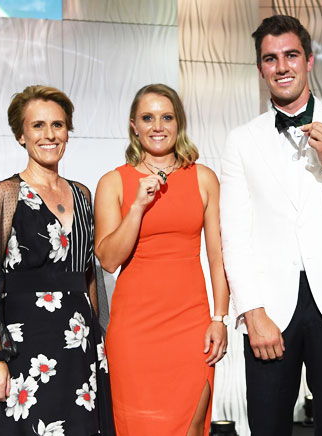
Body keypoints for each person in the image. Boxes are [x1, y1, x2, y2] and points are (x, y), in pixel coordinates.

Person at [220, 15, 322, 436]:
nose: (282, 67)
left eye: (291, 55)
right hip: (269, 308)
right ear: (261, 69)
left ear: (309, 60)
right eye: (270, 59)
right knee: (268, 427)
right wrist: (251, 311)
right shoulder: (242, 139)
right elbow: (234, 234)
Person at [0, 85, 114, 435]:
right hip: (22, 351)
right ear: (21, 134)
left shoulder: (83, 194)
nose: (50, 135)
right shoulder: (4, 195)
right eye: (38, 125)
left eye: (58, 125)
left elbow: (88, 276)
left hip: (79, 348)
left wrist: (100, 344)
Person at [94, 83, 229, 436]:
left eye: (167, 117)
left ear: (178, 123)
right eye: (148, 118)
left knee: (191, 426)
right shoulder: (114, 183)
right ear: (133, 126)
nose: (158, 126)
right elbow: (109, 259)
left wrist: (220, 318)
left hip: (191, 325)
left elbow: (217, 257)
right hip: (134, 331)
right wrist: (137, 206)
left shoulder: (203, 178)